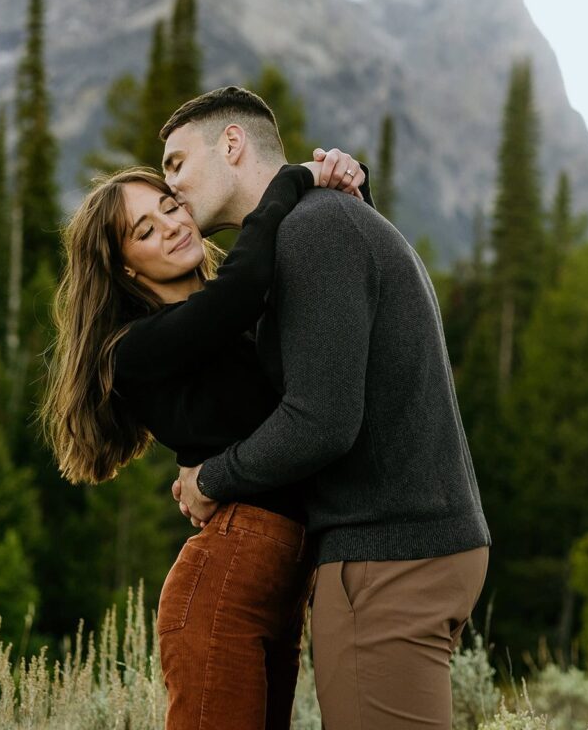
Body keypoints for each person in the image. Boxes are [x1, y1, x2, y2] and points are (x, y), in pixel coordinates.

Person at [163, 85, 492, 730]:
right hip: (406, 546)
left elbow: (320, 421)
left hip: (389, 555)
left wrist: (212, 478)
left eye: (177, 163)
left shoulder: (316, 231)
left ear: (231, 143)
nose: (170, 186)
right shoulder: (321, 225)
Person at [41, 147, 369, 730]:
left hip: (283, 581)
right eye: (145, 229)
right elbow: (236, 291)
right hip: (227, 579)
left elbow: (336, 324)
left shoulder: (239, 326)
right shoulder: (136, 348)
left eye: (170, 207)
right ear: (126, 269)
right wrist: (293, 178)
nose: (171, 226)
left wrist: (350, 193)